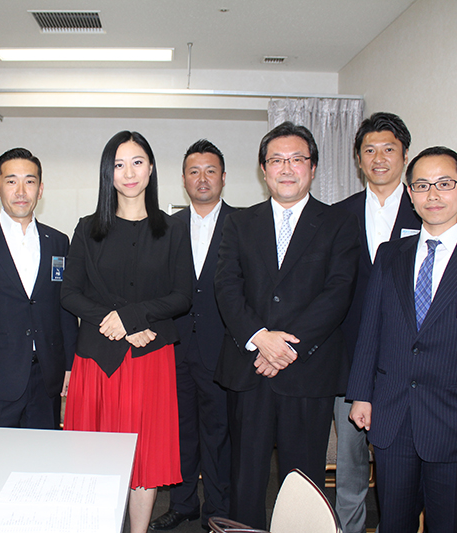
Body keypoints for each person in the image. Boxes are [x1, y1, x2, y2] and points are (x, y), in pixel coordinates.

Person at [347, 147, 457, 533]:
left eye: (444, 184)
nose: (433, 195)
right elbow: (370, 329)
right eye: (422, 185)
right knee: (394, 523)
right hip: (393, 418)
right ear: (410, 193)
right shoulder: (390, 255)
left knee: (449, 524)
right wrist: (361, 393)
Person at [214, 121, 360, 529]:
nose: (286, 168)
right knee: (245, 478)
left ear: (312, 168)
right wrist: (260, 338)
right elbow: (227, 286)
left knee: (304, 481)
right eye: (276, 160)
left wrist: (286, 347)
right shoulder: (240, 222)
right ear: (263, 169)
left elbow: (338, 292)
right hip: (249, 369)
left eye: (297, 159)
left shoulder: (339, 223)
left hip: (308, 372)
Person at [61, 131, 192, 533]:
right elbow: (70, 294)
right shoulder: (87, 229)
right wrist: (117, 322)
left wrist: (132, 318)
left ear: (151, 169)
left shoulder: (173, 229)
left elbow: (182, 295)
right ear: (108, 173)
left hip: (150, 360)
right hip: (97, 361)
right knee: (92, 459)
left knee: (144, 461)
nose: (129, 172)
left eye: (137, 162)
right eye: (119, 164)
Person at [333, 112, 421, 533]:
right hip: (350, 362)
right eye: (369, 150)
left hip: (407, 369)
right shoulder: (337, 216)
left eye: (389, 149)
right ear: (358, 159)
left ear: (404, 156)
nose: (379, 158)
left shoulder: (426, 212)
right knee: (350, 467)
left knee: (400, 469)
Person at [0, 148, 77, 429]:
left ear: (40, 190)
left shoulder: (58, 242)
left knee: (44, 453)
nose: (21, 191)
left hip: (47, 378)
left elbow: (65, 310)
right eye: (11, 181)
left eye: (29, 181)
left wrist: (70, 365)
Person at [150, 139, 233, 531]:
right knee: (179, 430)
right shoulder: (166, 228)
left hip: (223, 349)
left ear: (223, 177)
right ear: (183, 179)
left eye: (210, 171)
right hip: (176, 346)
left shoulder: (243, 224)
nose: (202, 179)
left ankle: (217, 510)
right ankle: (182, 503)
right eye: (194, 171)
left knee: (219, 434)